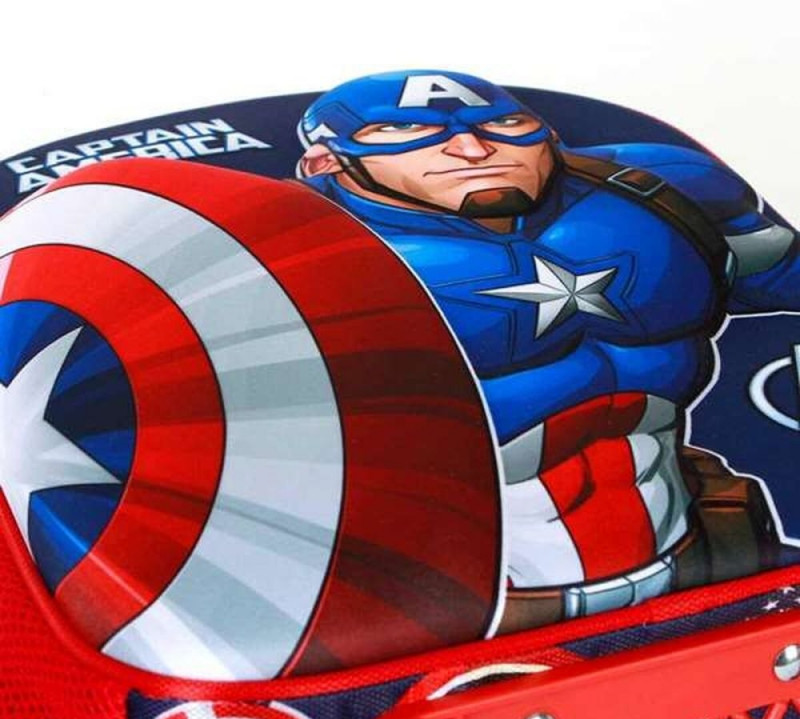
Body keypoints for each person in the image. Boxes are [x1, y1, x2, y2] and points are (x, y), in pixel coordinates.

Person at [297, 70, 800, 631]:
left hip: (700, 555)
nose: (473, 149)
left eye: (505, 124)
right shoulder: (281, 264)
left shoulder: (662, 191)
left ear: (549, 135)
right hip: (455, 609)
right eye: (405, 132)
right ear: (325, 162)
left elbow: (783, 280)